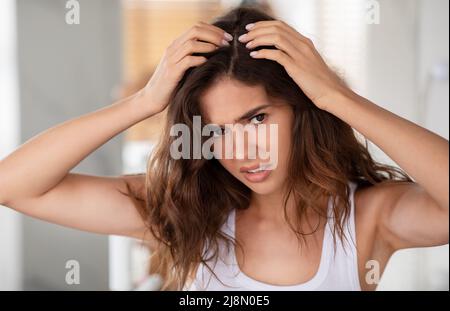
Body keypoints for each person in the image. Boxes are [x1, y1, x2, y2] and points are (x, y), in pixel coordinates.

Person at [0, 6, 448, 291]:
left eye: (257, 118)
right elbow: (14, 185)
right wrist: (144, 102)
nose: (241, 151)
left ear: (303, 110)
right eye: (215, 131)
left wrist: (336, 98)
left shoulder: (366, 219)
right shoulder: (185, 210)